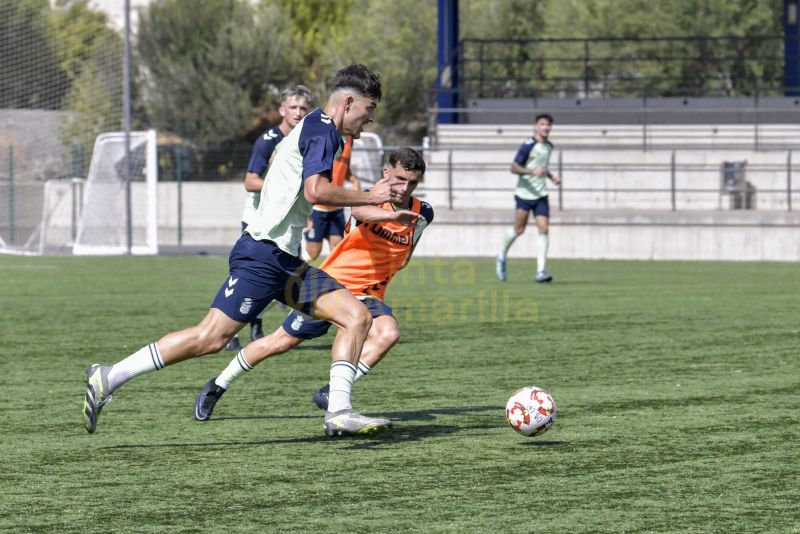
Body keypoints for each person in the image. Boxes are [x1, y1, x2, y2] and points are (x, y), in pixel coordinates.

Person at [83, 64, 401, 438]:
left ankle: (339, 411)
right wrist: (371, 195)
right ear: (349, 101)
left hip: (283, 259)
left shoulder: (315, 124)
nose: (369, 121)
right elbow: (317, 192)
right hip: (264, 256)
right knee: (210, 338)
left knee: (356, 316)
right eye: (368, 110)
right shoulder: (324, 130)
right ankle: (110, 376)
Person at [193, 148, 432, 421]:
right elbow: (359, 211)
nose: (405, 187)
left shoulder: (423, 212)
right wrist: (391, 217)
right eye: (400, 179)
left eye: (412, 182)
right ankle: (218, 384)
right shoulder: (370, 198)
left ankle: (333, 393)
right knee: (280, 343)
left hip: (369, 294)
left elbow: (408, 249)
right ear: (386, 173)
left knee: (388, 334)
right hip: (331, 288)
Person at [225, 85, 313, 352]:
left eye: (303, 108)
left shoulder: (306, 139)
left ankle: (265, 325)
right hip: (259, 221)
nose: (298, 113)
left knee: (284, 279)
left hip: (287, 225)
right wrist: (282, 189)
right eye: (293, 107)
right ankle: (230, 330)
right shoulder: (268, 140)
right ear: (282, 110)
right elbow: (250, 181)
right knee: (252, 280)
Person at [496, 113, 561, 283]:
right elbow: (513, 167)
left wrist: (551, 176)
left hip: (541, 195)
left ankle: (541, 271)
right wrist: (531, 172)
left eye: (548, 125)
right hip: (524, 195)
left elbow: (541, 167)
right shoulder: (528, 145)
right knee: (519, 230)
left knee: (544, 228)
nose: (546, 127)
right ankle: (501, 255)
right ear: (536, 126)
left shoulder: (549, 146)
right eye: (542, 124)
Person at [304, 135, 361, 261]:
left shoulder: (349, 139)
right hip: (316, 209)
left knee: (338, 252)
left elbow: (345, 169)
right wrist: (305, 208)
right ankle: (291, 277)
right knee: (313, 253)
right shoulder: (325, 134)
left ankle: (330, 280)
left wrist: (354, 180)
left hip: (336, 208)